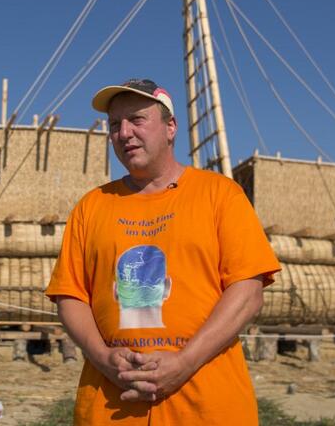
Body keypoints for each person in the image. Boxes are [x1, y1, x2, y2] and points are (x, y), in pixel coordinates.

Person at [46, 78, 281, 425]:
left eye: (137, 120)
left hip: (206, 406)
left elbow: (248, 291)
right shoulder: (91, 207)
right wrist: (101, 356)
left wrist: (184, 362)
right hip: (111, 406)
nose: (123, 133)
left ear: (170, 128)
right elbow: (70, 295)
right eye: (114, 125)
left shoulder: (220, 196)